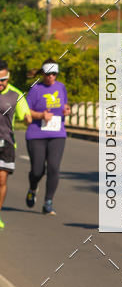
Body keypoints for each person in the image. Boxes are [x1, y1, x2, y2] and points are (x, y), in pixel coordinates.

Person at [24, 59, 70, 215]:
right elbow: (27, 111)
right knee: (37, 171)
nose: (51, 76)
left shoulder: (61, 87)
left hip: (57, 134)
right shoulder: (36, 89)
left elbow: (64, 105)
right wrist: (41, 115)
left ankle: (48, 202)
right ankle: (32, 188)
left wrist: (66, 110)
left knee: (53, 168)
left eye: (54, 73)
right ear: (43, 74)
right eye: (48, 73)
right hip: (36, 134)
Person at [0, 60, 32, 229]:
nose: (0, 83)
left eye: (3, 79)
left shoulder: (16, 95)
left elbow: (25, 114)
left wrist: (28, 119)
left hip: (7, 143)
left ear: (8, 77)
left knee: (2, 179)